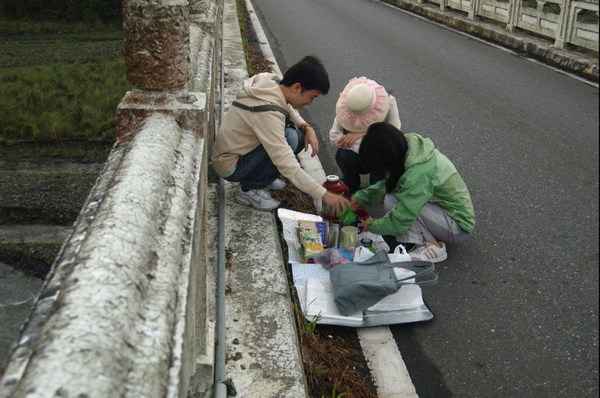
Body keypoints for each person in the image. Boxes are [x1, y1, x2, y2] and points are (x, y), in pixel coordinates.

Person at [211, 55, 349, 213]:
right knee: (290, 138)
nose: (310, 103)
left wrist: (307, 127)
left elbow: (287, 107)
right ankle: (249, 190)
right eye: (311, 97)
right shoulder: (267, 113)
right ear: (297, 87)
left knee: (298, 134)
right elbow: (288, 166)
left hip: (233, 153)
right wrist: (324, 194)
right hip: (230, 166)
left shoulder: (269, 82)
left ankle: (262, 177)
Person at [349, 122, 475, 263]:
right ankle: (423, 234)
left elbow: (401, 219)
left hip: (456, 226)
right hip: (443, 212)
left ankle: (434, 247)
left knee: (401, 206)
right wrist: (360, 198)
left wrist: (371, 225)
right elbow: (390, 184)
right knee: (392, 198)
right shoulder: (406, 147)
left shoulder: (418, 173)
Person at [329, 76, 402, 194]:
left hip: (378, 155)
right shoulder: (348, 104)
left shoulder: (389, 102)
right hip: (357, 155)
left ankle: (378, 186)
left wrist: (362, 133)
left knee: (384, 147)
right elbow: (334, 137)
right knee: (345, 155)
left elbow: (395, 137)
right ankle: (350, 185)